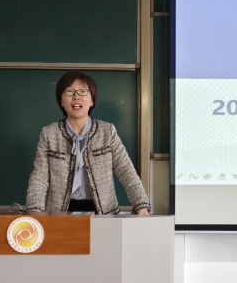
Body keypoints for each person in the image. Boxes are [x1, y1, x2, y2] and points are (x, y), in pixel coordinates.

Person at [26, 71, 150, 215]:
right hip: (60, 216)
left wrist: (141, 205)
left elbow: (126, 170)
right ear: (61, 100)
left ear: (92, 100)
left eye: (83, 91)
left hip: (104, 215)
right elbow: (39, 177)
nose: (76, 97)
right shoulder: (49, 133)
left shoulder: (107, 131)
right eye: (69, 92)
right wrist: (35, 211)